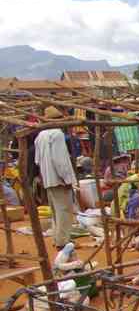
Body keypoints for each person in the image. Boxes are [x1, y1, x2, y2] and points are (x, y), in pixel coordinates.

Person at [34, 107, 77, 250]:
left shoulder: (40, 135)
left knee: (55, 211)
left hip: (48, 178)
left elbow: (37, 160)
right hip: (59, 179)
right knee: (64, 210)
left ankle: (57, 238)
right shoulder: (57, 134)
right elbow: (60, 161)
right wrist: (66, 179)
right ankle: (63, 241)